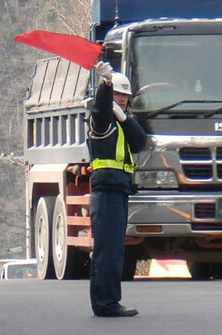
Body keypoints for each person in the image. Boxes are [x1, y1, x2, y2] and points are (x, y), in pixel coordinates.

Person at [88, 61, 147, 317]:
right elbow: (101, 108)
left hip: (118, 191)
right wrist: (106, 85)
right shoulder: (102, 121)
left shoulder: (121, 124)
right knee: (108, 251)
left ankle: (106, 301)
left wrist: (125, 118)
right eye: (118, 95)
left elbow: (141, 141)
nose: (121, 100)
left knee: (112, 250)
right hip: (107, 191)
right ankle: (107, 303)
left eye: (125, 96)